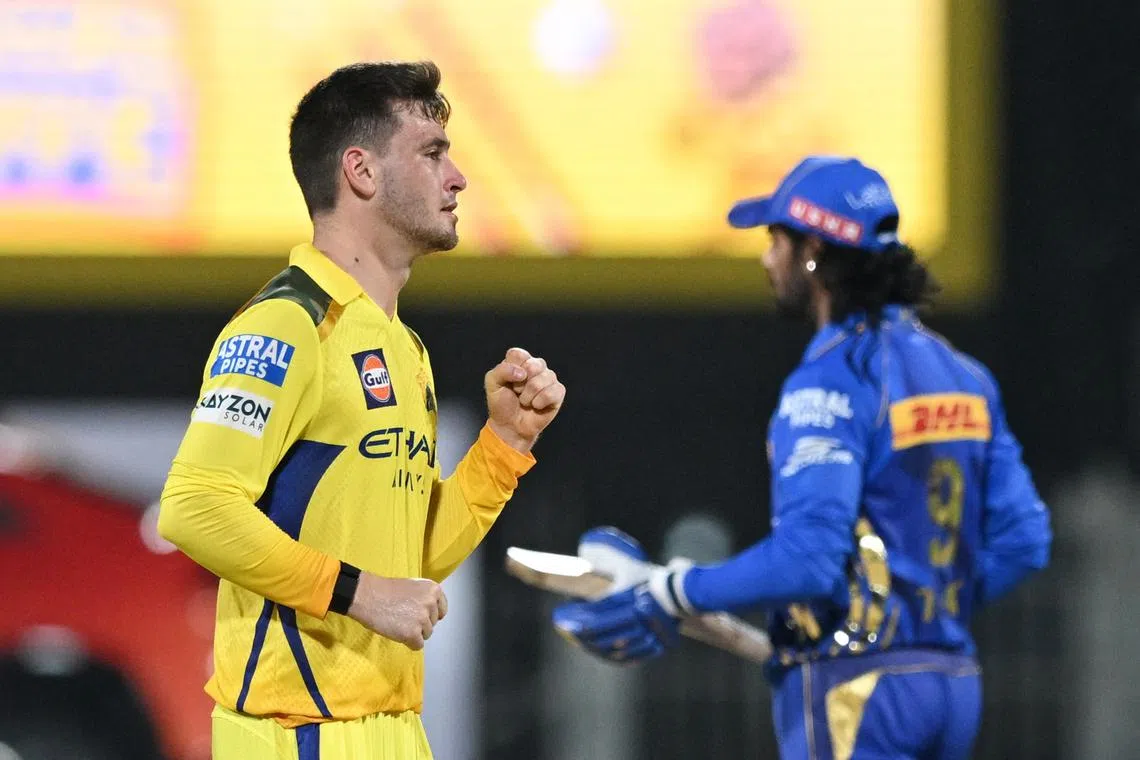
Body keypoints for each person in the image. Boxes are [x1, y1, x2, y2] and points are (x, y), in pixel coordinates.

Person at [552, 156, 1051, 759]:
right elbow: (1025, 539)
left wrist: (672, 591)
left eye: (775, 241)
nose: (767, 259)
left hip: (858, 694)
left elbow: (807, 561)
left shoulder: (831, 383)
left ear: (812, 251)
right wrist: (915, 621)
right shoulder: (967, 377)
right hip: (951, 685)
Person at [158, 61, 566, 760]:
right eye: (433, 154)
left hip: (393, 732)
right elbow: (193, 507)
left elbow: (413, 563)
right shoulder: (284, 325)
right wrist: (356, 593)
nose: (459, 177)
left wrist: (503, 446)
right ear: (362, 172)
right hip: (297, 737)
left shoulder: (401, 346)